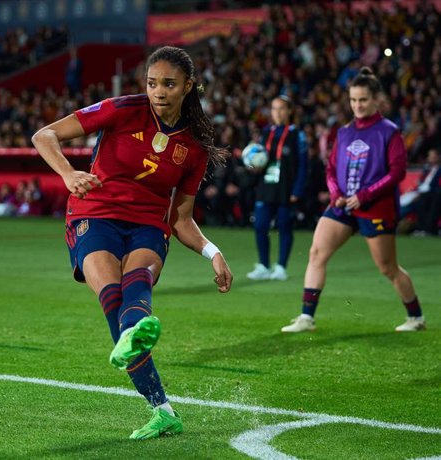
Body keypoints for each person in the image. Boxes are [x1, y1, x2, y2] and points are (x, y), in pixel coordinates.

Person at [32, 46, 233, 440]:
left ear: (188, 87)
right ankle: (162, 406)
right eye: (152, 83)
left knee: (135, 282)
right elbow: (45, 135)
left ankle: (152, 382)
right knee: (113, 297)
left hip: (148, 225)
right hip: (95, 214)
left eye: (169, 84)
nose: (158, 91)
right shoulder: (121, 109)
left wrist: (213, 252)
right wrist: (69, 173)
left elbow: (181, 218)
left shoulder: (192, 148)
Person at [281, 67, 426, 333]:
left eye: (363, 100)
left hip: (375, 206)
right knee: (316, 253)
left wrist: (364, 196)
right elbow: (331, 168)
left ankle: (415, 317)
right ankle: (306, 317)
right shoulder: (344, 132)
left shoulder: (389, 131)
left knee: (388, 268)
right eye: (353, 100)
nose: (357, 105)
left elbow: (397, 172)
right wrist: (336, 194)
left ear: (376, 100)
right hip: (343, 205)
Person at [246, 95, 307, 281]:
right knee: (260, 225)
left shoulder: (297, 135)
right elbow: (260, 159)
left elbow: (304, 165)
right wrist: (253, 164)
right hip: (266, 185)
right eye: (274, 108)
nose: (277, 112)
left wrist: (297, 190)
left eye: (281, 108)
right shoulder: (266, 133)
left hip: (286, 188)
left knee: (284, 226)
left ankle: (281, 267)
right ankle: (264, 265)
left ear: (289, 111)